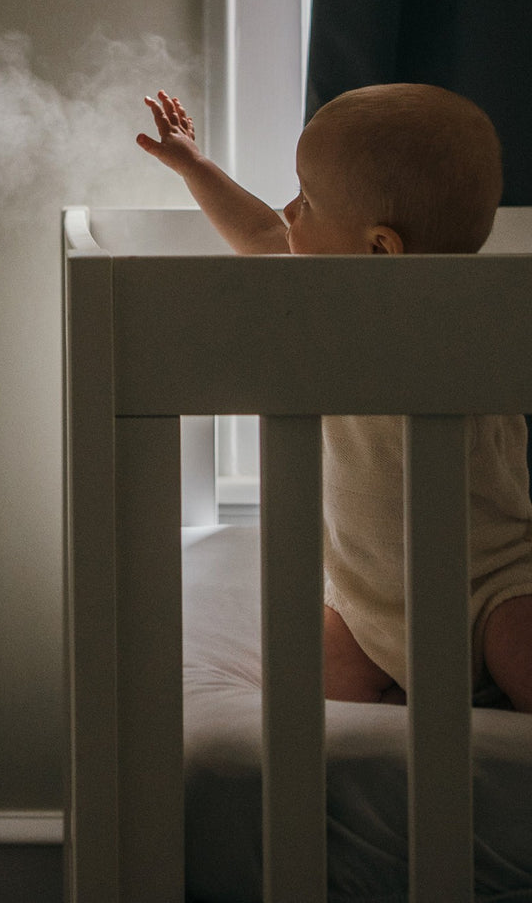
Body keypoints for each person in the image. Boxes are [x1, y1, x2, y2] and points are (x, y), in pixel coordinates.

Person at [137, 82, 532, 711]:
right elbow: (262, 233)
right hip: (365, 598)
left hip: (492, 583)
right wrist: (195, 165)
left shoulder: (481, 325)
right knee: (310, 699)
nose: (289, 212)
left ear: (379, 248)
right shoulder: (325, 309)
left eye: (306, 200)